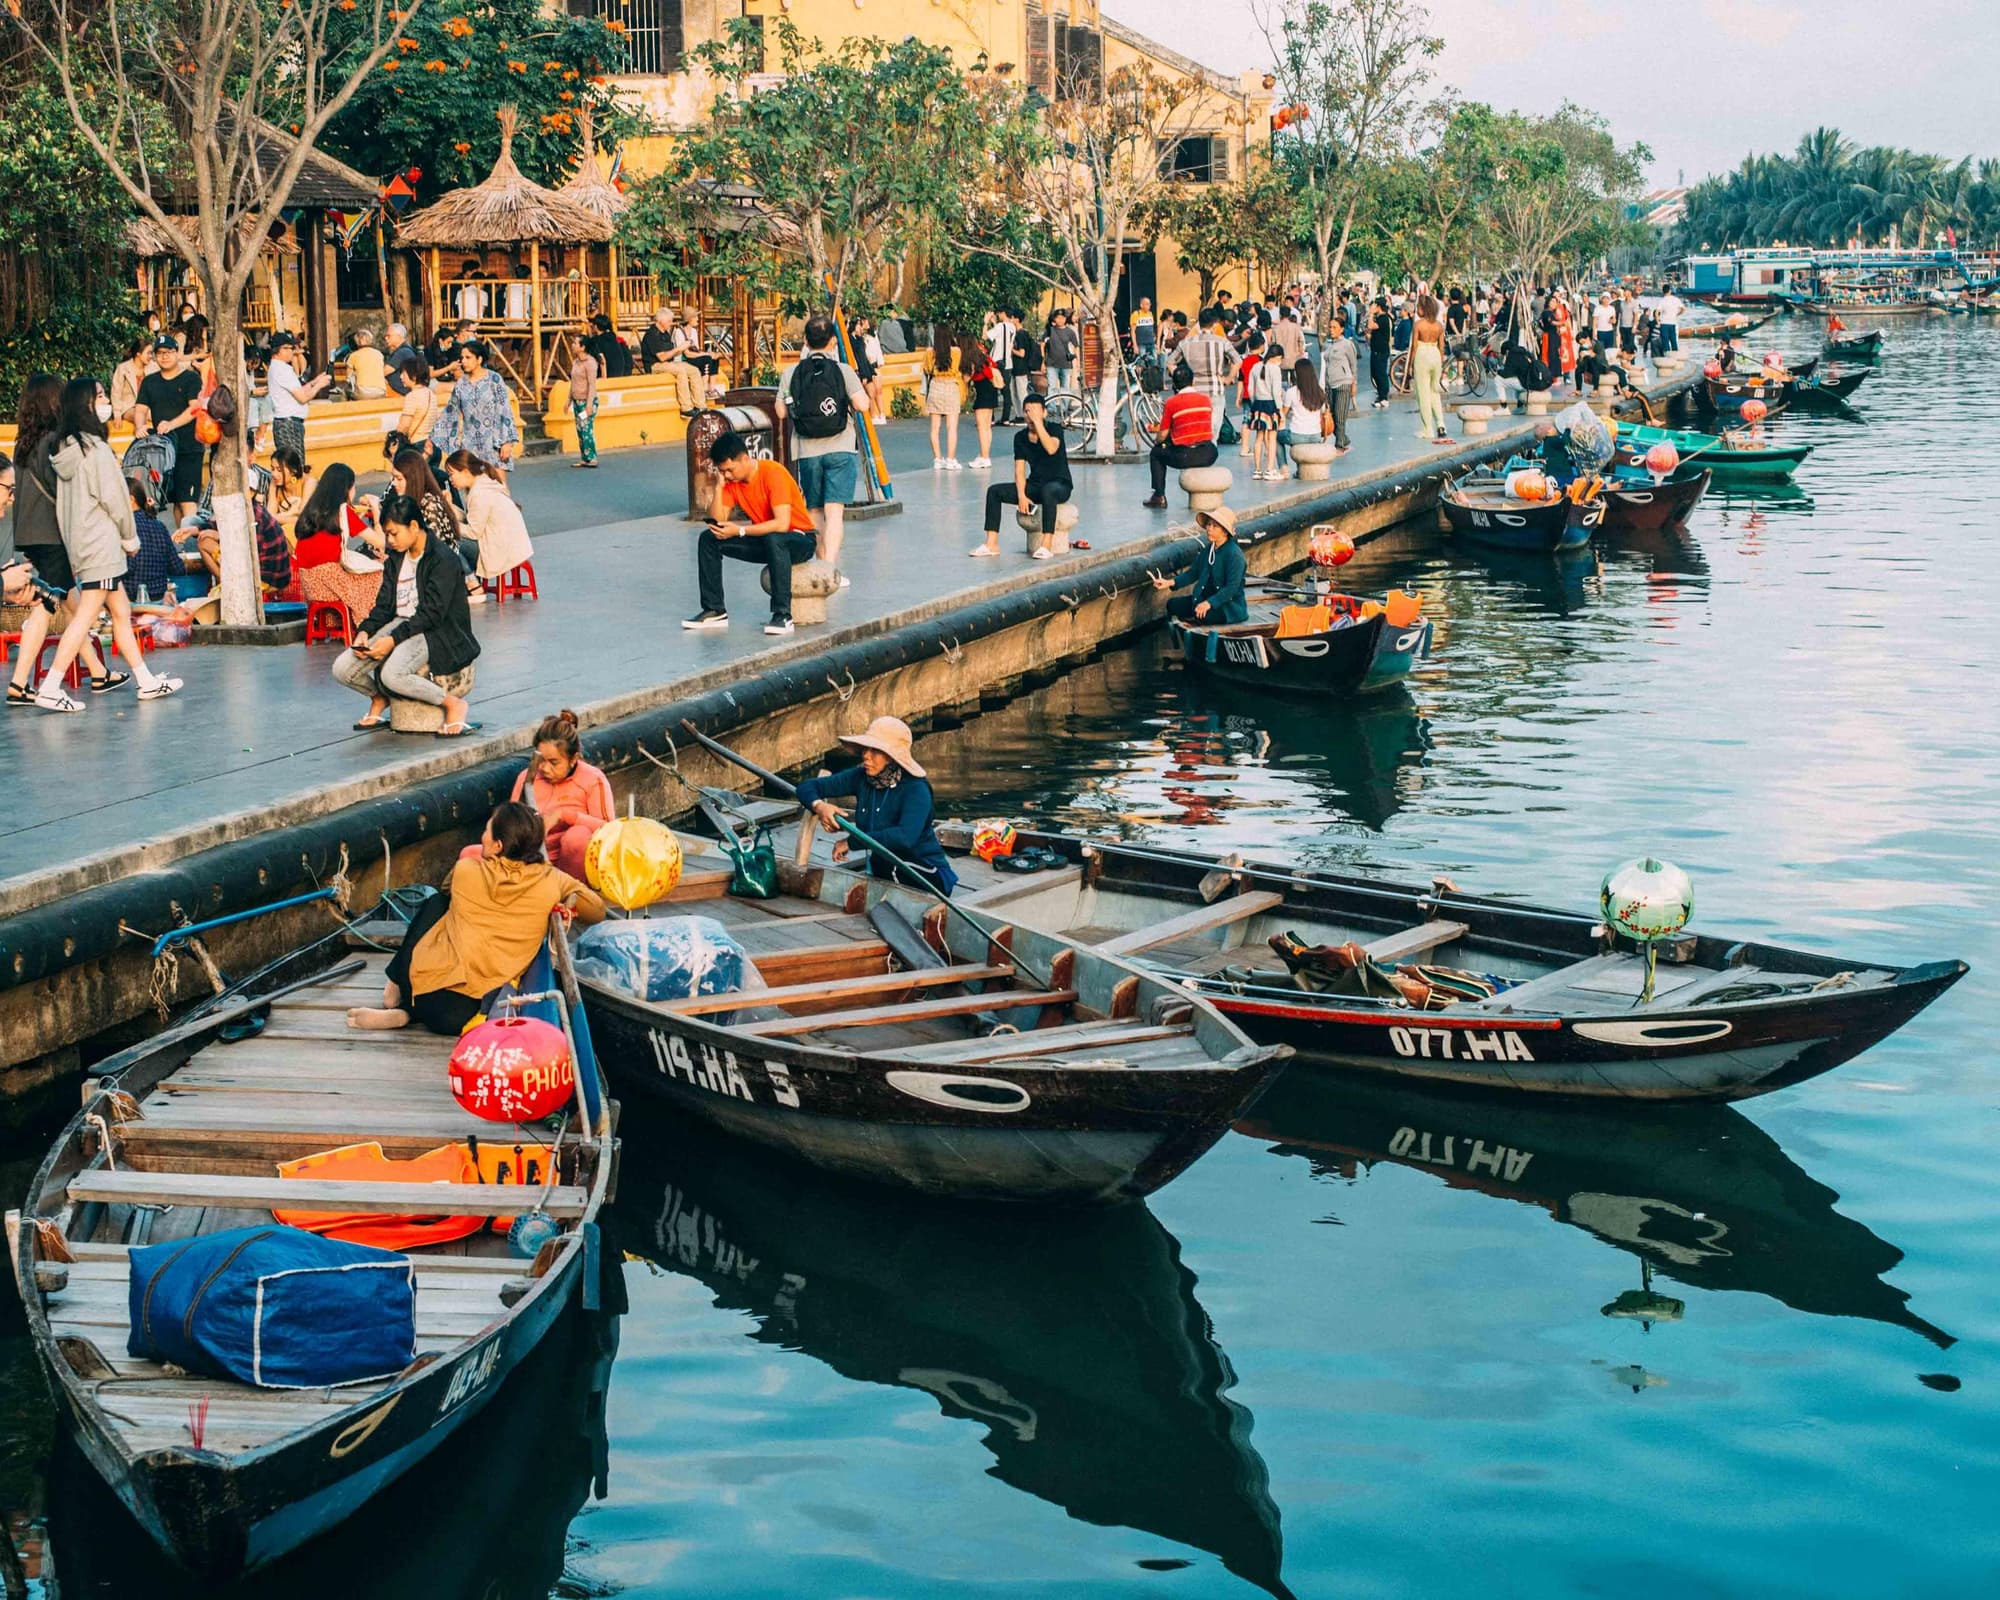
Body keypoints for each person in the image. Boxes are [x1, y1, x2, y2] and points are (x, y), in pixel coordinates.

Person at [347, 801, 606, 1034]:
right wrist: (559, 890)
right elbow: (597, 911)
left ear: (498, 846)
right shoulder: (552, 881)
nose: (481, 837)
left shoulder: (466, 870)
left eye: (486, 831)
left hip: (423, 994)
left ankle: (396, 987)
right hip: (468, 1013)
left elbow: (447, 890)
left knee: (437, 903)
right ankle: (405, 1013)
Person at [36, 377, 183, 711]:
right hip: (102, 545)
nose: (106, 402)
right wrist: (129, 538)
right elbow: (117, 499)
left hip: (85, 543)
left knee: (120, 611)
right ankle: (50, 686)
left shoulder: (66, 451)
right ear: (85, 405)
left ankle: (145, 681)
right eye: (100, 396)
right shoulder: (96, 451)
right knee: (85, 617)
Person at [334, 492, 480, 736]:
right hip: (400, 624)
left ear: (414, 526)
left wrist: (391, 640)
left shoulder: (442, 559)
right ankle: (379, 697)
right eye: (387, 534)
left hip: (435, 630)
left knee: (393, 674)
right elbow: (383, 605)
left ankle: (453, 704)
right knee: (342, 669)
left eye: (394, 533)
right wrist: (365, 632)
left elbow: (432, 614)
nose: (390, 540)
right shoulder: (395, 558)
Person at [6, 374, 113, 704]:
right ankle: (20, 683)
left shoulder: (22, 442)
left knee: (70, 604)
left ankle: (98, 671)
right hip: (52, 535)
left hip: (29, 535)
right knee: (47, 604)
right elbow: (64, 491)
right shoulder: (53, 441)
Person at [796, 716, 957, 895]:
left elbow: (904, 838)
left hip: (926, 872)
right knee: (881, 868)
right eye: (865, 749)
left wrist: (852, 842)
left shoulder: (916, 789)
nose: (866, 756)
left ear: (891, 757)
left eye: (875, 751)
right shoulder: (861, 777)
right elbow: (807, 787)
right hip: (884, 869)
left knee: (893, 867)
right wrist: (820, 807)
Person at [684, 430, 818, 636]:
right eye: (722, 471)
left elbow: (782, 524)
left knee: (776, 538)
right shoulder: (730, 482)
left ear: (745, 459)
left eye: (729, 470)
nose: (727, 475)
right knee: (708, 538)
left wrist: (740, 530)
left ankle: (782, 615)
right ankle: (714, 610)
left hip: (799, 539)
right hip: (765, 539)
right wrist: (719, 488)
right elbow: (718, 520)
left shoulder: (773, 473)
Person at [777, 315, 869, 581]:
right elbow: (862, 405)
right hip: (840, 447)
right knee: (834, 512)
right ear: (832, 342)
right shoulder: (843, 370)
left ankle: (820, 563)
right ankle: (830, 571)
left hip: (806, 451)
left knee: (814, 510)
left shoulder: (791, 373)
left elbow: (781, 412)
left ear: (805, 341)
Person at [512, 709, 615, 878]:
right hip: (534, 863)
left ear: (573, 759)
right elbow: (510, 824)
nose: (544, 768)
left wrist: (564, 816)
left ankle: (572, 897)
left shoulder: (593, 779)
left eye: (554, 762)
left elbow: (612, 831)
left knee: (577, 838)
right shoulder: (526, 778)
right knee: (470, 854)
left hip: (574, 867)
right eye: (540, 760)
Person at [972, 392, 1071, 560]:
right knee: (994, 491)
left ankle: (1046, 545)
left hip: (1059, 484)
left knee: (1049, 490)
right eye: (1027, 412)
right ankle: (992, 543)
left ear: (1044, 413)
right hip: (1035, 484)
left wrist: (1039, 423)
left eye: (1034, 411)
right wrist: (1022, 496)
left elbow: (1051, 448)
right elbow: (1019, 470)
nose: (1030, 416)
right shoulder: (1020, 437)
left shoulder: (1054, 429)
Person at [292, 462, 385, 621]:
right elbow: (380, 542)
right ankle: (366, 621)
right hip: (330, 584)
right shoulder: (343, 511)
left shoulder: (312, 508)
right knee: (380, 572)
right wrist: (376, 515)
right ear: (346, 489)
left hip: (311, 585)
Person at [132, 335, 207, 523]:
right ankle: (181, 547)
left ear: (177, 353)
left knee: (187, 499)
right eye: (159, 353)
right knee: (173, 501)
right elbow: (140, 409)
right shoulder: (150, 381)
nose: (164, 357)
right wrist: (139, 426)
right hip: (162, 452)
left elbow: (195, 409)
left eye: (169, 352)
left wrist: (171, 424)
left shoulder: (191, 378)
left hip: (189, 447)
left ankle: (191, 541)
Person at [445, 451, 534, 586]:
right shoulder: (482, 484)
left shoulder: (480, 493)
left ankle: (471, 583)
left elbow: (473, 532)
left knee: (446, 539)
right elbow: (473, 519)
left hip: (498, 551)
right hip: (508, 547)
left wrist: (450, 523)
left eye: (452, 474)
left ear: (465, 471)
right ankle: (470, 582)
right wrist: (449, 507)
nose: (450, 479)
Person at [432, 340, 518, 479]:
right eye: (462, 358)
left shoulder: (494, 380)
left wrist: (507, 442)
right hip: (470, 443)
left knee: (499, 486)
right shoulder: (461, 384)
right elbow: (450, 412)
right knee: (471, 487)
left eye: (468, 357)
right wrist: (433, 439)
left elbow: (505, 411)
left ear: (479, 359)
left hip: (493, 443)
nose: (463, 361)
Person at [1151, 504, 1247, 625]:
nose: (1209, 529)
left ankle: (1197, 627)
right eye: (1209, 524)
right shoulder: (1208, 549)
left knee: (1202, 615)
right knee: (1172, 605)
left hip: (1227, 607)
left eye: (1215, 526)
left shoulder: (1234, 555)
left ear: (1225, 532)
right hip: (1203, 599)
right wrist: (1169, 582)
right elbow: (1193, 573)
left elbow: (1231, 589)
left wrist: (1209, 603)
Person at [1144, 365, 1219, 509]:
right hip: (1209, 453)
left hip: (1186, 455)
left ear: (1174, 384)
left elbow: (1163, 434)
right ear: (1193, 381)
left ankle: (1159, 495)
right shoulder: (1205, 399)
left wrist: (1158, 441)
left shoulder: (1172, 403)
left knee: (1156, 453)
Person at [266, 330, 330, 460]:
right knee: (294, 466)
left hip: (288, 422)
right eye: (289, 348)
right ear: (280, 350)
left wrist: (315, 382)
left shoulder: (280, 368)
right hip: (288, 423)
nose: (292, 352)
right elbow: (303, 398)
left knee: (292, 464)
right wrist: (319, 385)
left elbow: (298, 391)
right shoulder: (281, 370)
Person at [1177, 311, 1241, 437]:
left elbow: (1170, 362)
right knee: (1212, 432)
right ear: (1214, 325)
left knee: (1195, 430)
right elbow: (1237, 360)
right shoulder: (1221, 342)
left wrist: (1183, 380)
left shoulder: (1186, 343)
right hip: (1215, 389)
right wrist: (1228, 379)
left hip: (1193, 390)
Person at [121, 471, 180, 603]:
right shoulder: (160, 526)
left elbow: (128, 568)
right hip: (158, 598)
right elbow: (177, 567)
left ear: (131, 499)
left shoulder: (125, 527)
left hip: (130, 598)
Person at [641, 307, 702, 413]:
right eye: (669, 321)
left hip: (668, 362)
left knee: (694, 370)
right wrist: (679, 348)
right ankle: (686, 407)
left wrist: (683, 348)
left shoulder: (666, 333)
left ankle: (700, 405)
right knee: (680, 371)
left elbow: (671, 354)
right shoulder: (652, 334)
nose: (671, 323)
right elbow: (662, 357)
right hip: (655, 365)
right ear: (661, 321)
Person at [922, 325, 965, 469]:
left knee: (935, 428)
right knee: (951, 427)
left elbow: (927, 369)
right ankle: (950, 459)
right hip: (951, 386)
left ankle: (937, 459)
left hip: (936, 386)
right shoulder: (956, 352)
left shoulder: (929, 352)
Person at [1411, 292, 1452, 446]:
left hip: (1422, 354)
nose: (1417, 310)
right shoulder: (1439, 326)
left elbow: (1414, 347)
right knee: (1434, 391)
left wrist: (1410, 365)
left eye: (1418, 307)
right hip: (1435, 355)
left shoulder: (1418, 325)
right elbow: (1442, 347)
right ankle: (1441, 424)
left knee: (1423, 394)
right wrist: (1440, 365)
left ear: (1423, 308)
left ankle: (1427, 428)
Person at [1281, 358, 1334, 465]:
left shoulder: (1292, 392)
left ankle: (1283, 467)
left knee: (1276, 436)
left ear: (1297, 374)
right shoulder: (1319, 391)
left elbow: (1282, 414)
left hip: (1297, 435)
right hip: (1316, 435)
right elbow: (1323, 411)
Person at [1244, 344, 1285, 481]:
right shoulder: (1275, 370)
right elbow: (1276, 392)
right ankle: (1270, 469)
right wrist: (1280, 410)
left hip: (1258, 404)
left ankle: (1257, 470)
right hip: (1271, 405)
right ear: (1278, 357)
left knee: (1258, 438)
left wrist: (1254, 402)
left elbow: (1250, 389)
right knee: (1272, 438)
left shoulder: (1256, 366)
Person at [393, 354, 438, 464]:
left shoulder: (412, 396)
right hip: (433, 445)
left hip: (418, 446)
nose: (401, 377)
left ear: (413, 375)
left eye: (403, 373)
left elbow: (405, 425)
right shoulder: (431, 393)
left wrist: (396, 439)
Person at [964, 337, 1000, 469]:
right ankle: (985, 454)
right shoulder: (982, 354)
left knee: (981, 426)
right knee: (987, 426)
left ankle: (984, 457)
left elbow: (967, 378)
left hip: (982, 391)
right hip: (991, 389)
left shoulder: (971, 358)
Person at [1318, 330, 1356, 452]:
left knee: (1340, 416)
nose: (1332, 330)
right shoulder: (1327, 344)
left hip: (1343, 383)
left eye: (1334, 327)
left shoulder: (1347, 344)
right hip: (1330, 384)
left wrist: (1354, 383)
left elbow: (1353, 365)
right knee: (1331, 415)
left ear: (1341, 329)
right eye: (1330, 327)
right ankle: (1344, 439)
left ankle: (1340, 446)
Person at [568, 341, 600, 469]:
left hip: (586, 400)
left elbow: (592, 384)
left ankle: (592, 457)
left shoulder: (590, 363)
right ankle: (585, 456)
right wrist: (568, 399)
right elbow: (573, 382)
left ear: (583, 347)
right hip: (577, 400)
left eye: (575, 343)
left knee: (586, 428)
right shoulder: (576, 362)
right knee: (580, 429)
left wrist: (589, 404)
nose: (573, 345)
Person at [109, 334, 151, 424]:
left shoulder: (153, 367)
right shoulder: (123, 368)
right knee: (140, 416)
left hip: (147, 407)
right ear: (138, 354)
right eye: (148, 353)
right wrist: (117, 414)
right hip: (128, 408)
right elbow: (116, 392)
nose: (150, 356)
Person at [1009, 314, 1043, 416]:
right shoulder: (1019, 333)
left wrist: (1011, 350)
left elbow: (1022, 353)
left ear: (1017, 319)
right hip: (1017, 367)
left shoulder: (1021, 334)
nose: (1010, 320)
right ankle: (1019, 414)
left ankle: (1026, 414)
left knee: (1021, 392)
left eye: (1012, 317)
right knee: (1014, 391)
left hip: (1021, 367)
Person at [345, 327, 388, 399]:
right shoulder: (379, 354)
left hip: (363, 393)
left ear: (356, 341)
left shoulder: (353, 356)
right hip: (381, 391)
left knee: (345, 390)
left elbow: (348, 377)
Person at [1367, 296, 1394, 408]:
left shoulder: (1383, 318)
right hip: (1375, 350)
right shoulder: (1380, 317)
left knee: (1381, 374)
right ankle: (1380, 395)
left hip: (1381, 351)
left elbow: (1371, 326)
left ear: (1378, 307)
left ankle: (1384, 397)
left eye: (1374, 305)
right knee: (1375, 374)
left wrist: (1371, 314)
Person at [1044, 308, 1078, 396]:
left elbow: (1076, 346)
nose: (1060, 320)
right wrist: (1043, 360)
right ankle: (1052, 408)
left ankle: (1064, 409)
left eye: (1062, 317)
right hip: (1051, 364)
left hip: (1066, 364)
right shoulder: (1049, 330)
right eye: (1058, 317)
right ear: (1054, 318)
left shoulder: (1070, 332)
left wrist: (1076, 359)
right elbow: (1042, 344)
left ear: (1066, 318)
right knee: (1052, 387)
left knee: (1065, 388)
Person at [382, 324, 421, 395]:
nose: (386, 338)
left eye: (389, 336)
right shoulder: (404, 350)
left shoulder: (403, 352)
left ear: (399, 336)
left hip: (400, 392)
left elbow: (383, 372)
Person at [1655, 285, 1683, 353]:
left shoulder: (1662, 300)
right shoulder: (1676, 299)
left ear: (1663, 291)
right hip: (1673, 322)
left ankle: (1667, 354)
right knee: (1673, 339)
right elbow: (1683, 309)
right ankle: (1675, 353)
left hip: (1664, 323)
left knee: (1665, 340)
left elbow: (1656, 312)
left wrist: (1658, 321)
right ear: (1670, 291)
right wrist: (1677, 314)